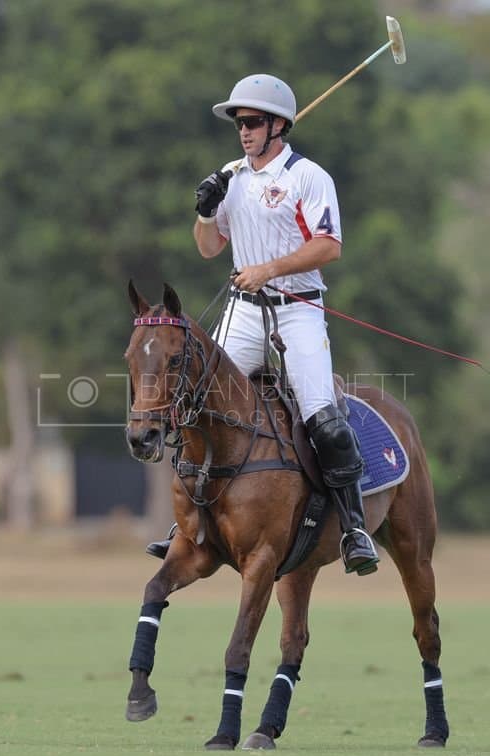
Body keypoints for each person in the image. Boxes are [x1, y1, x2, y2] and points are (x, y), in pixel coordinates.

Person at [144, 74, 379, 576]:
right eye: (238, 123)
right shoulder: (231, 178)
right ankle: (186, 523)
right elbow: (209, 249)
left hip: (298, 309)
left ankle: (354, 528)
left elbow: (329, 246)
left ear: (278, 126)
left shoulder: (308, 177)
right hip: (244, 311)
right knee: (194, 402)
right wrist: (206, 213)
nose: (243, 131)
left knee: (322, 416)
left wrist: (268, 270)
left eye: (252, 122)